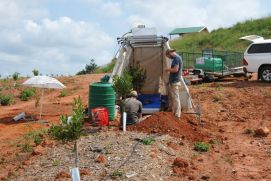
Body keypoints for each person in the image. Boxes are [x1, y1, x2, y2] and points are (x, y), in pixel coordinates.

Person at [165, 48, 182, 118]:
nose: (169, 58)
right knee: (174, 98)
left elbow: (175, 70)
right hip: (173, 81)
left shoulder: (176, 59)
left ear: (170, 53)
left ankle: (177, 115)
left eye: (168, 56)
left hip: (175, 82)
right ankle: (174, 112)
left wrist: (167, 69)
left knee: (176, 98)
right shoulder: (177, 58)